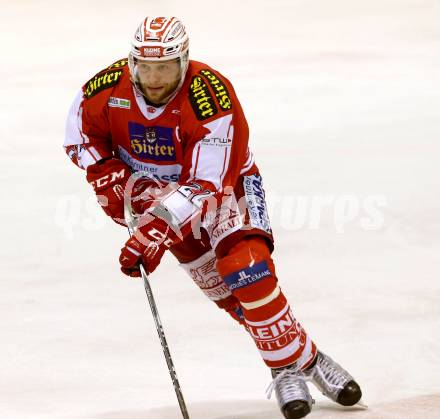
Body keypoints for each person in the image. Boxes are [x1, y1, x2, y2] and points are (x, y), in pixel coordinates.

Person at [64, 16, 362, 419]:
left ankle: (281, 367)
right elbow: (80, 137)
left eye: (165, 68)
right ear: (131, 61)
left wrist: (156, 230)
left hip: (227, 188)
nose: (153, 79)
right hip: (160, 197)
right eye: (145, 67)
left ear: (184, 62)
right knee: (232, 298)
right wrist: (104, 173)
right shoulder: (105, 87)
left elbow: (208, 183)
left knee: (247, 271)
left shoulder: (210, 95)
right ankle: (305, 358)